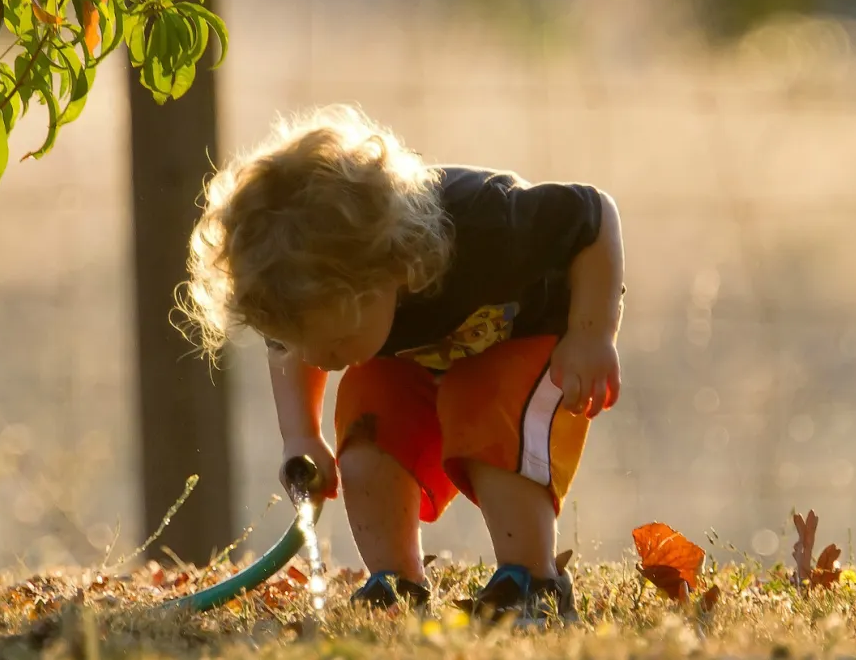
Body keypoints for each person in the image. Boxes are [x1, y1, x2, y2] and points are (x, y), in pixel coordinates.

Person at [179, 103, 625, 624]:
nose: (324, 359)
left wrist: (593, 336)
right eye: (306, 343)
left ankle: (532, 579)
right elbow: (294, 347)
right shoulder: (319, 299)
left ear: (394, 268)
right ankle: (395, 580)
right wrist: (301, 436)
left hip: (529, 335)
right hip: (423, 353)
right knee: (367, 424)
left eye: (338, 339)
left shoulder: (490, 224)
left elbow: (593, 215)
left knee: (480, 406)